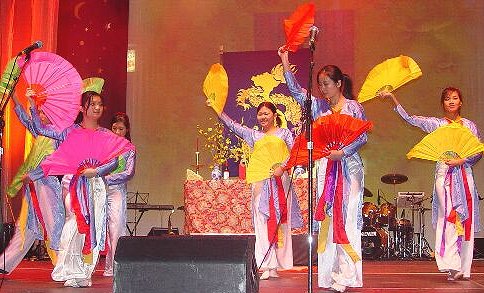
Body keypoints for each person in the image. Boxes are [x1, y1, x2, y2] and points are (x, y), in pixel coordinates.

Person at [278, 48, 367, 292]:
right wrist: (285, 61)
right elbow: (297, 92)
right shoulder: (318, 107)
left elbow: (362, 137)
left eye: (327, 84)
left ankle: (347, 274)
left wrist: (344, 152)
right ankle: (328, 274)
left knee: (346, 218)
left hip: (349, 168)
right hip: (326, 166)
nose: (323, 89)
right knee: (327, 216)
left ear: (339, 83)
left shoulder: (353, 108)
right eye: (320, 85)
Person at [26, 91, 133, 287]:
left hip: (96, 186)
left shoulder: (106, 135)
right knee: (74, 222)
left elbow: (119, 159)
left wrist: (97, 171)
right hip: (73, 183)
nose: (97, 107)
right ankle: (68, 268)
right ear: (82, 108)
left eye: (100, 104)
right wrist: (33, 105)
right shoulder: (70, 131)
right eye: (92, 104)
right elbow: (39, 128)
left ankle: (85, 272)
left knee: (94, 227)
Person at [380, 88, 481, 281]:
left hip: (464, 175)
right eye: (447, 99)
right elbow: (411, 119)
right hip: (444, 178)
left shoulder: (469, 126)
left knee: (466, 221)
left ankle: (464, 268)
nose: (451, 101)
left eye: (455, 98)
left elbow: (477, 152)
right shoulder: (437, 124)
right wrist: (393, 99)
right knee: (449, 218)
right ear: (443, 103)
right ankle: (451, 265)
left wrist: (461, 161)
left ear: (460, 102)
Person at [207, 100, 303, 280]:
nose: (263, 117)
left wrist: (282, 167)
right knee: (261, 221)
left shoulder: (284, 133)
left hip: (280, 179)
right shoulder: (254, 136)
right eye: (260, 114)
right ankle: (267, 263)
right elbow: (232, 125)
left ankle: (277, 264)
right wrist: (217, 109)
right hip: (260, 181)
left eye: (267, 113)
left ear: (275, 115)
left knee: (280, 222)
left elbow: (295, 154)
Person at [0, 90, 64, 273]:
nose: (41, 116)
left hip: (48, 185)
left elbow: (56, 163)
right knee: (25, 226)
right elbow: (26, 120)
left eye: (44, 112)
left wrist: (34, 175)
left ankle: (63, 265)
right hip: (34, 185)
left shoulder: (59, 134)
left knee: (53, 225)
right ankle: (5, 263)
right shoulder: (41, 132)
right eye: (40, 112)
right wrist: (15, 98)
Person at [102, 112, 136, 277]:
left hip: (117, 190)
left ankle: (114, 267)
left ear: (126, 130)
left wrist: (107, 178)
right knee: (97, 227)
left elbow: (129, 173)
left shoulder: (129, 148)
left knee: (116, 227)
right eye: (114, 128)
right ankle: (90, 265)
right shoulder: (105, 145)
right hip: (99, 189)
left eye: (120, 129)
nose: (116, 132)